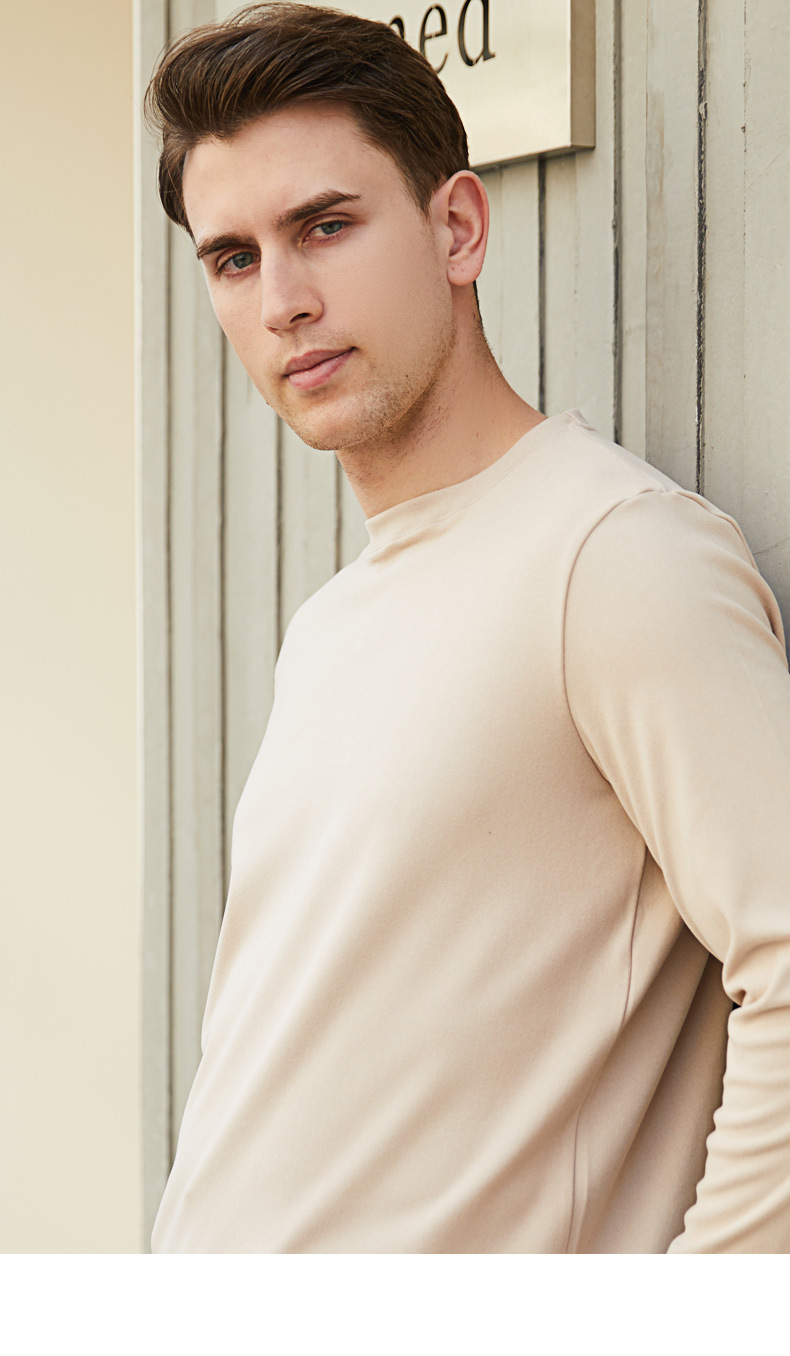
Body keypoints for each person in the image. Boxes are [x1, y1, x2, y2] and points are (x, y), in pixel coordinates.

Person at [146, 2, 790, 1253]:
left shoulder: (611, 556)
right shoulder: (331, 622)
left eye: (323, 227)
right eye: (232, 258)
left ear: (456, 227)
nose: (282, 301)